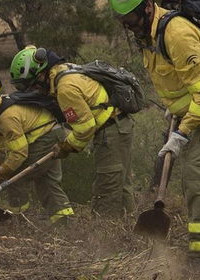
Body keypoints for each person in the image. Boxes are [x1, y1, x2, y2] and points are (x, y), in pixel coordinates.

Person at [107, 0, 200, 270]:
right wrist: (177, 108)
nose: (126, 26)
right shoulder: (148, 36)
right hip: (196, 105)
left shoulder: (175, 34)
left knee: (196, 172)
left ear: (146, 7)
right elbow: (179, 81)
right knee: (197, 174)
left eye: (129, 18)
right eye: (121, 21)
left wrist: (181, 134)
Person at [10, 46, 135, 220]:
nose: (36, 91)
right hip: (119, 126)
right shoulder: (64, 69)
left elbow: (85, 128)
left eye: (35, 86)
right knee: (121, 185)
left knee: (107, 188)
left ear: (42, 74)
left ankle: (106, 236)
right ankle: (132, 233)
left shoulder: (65, 89)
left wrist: (65, 146)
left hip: (111, 131)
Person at [0, 74, 71, 215]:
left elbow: (19, 154)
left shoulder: (7, 118)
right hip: (52, 134)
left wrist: (1, 176)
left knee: (12, 180)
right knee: (47, 184)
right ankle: (64, 222)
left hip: (47, 139)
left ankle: (20, 220)